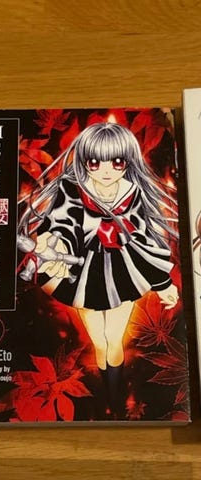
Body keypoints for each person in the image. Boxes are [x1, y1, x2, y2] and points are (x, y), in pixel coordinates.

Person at [18, 121, 179, 418]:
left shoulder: (134, 193)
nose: (106, 170)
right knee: (100, 342)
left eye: (116, 162)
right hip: (84, 271)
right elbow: (61, 223)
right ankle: (111, 395)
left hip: (123, 269)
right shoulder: (71, 189)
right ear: (84, 161)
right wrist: (55, 243)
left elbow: (146, 239)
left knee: (114, 339)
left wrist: (162, 283)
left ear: (127, 161)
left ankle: (114, 398)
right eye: (95, 162)